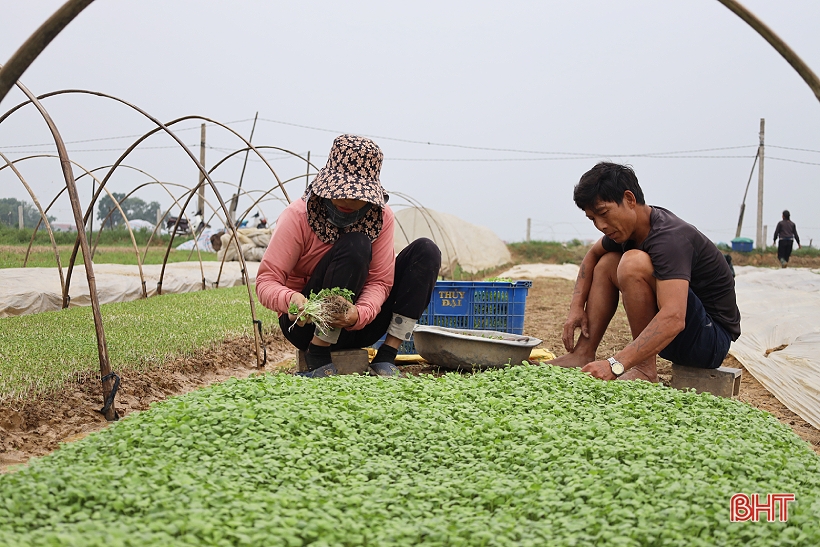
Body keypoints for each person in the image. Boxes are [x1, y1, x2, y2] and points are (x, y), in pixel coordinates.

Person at [256, 134, 441, 378]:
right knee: (356, 244)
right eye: (341, 191)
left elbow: (380, 282)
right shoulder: (298, 215)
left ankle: (387, 355)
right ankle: (318, 355)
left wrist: (359, 314)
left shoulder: (382, 218)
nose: (347, 200)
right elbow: (265, 282)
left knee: (426, 251)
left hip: (360, 326)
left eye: (357, 195)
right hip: (306, 327)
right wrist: (290, 299)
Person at [547, 162, 741, 382]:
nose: (600, 225)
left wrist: (616, 364)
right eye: (593, 219)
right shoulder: (625, 231)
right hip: (669, 340)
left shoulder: (669, 238)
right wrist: (575, 308)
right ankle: (582, 353)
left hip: (709, 342)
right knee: (608, 262)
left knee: (632, 262)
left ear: (629, 200)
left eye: (603, 213)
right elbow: (592, 255)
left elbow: (675, 318)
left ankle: (644, 368)